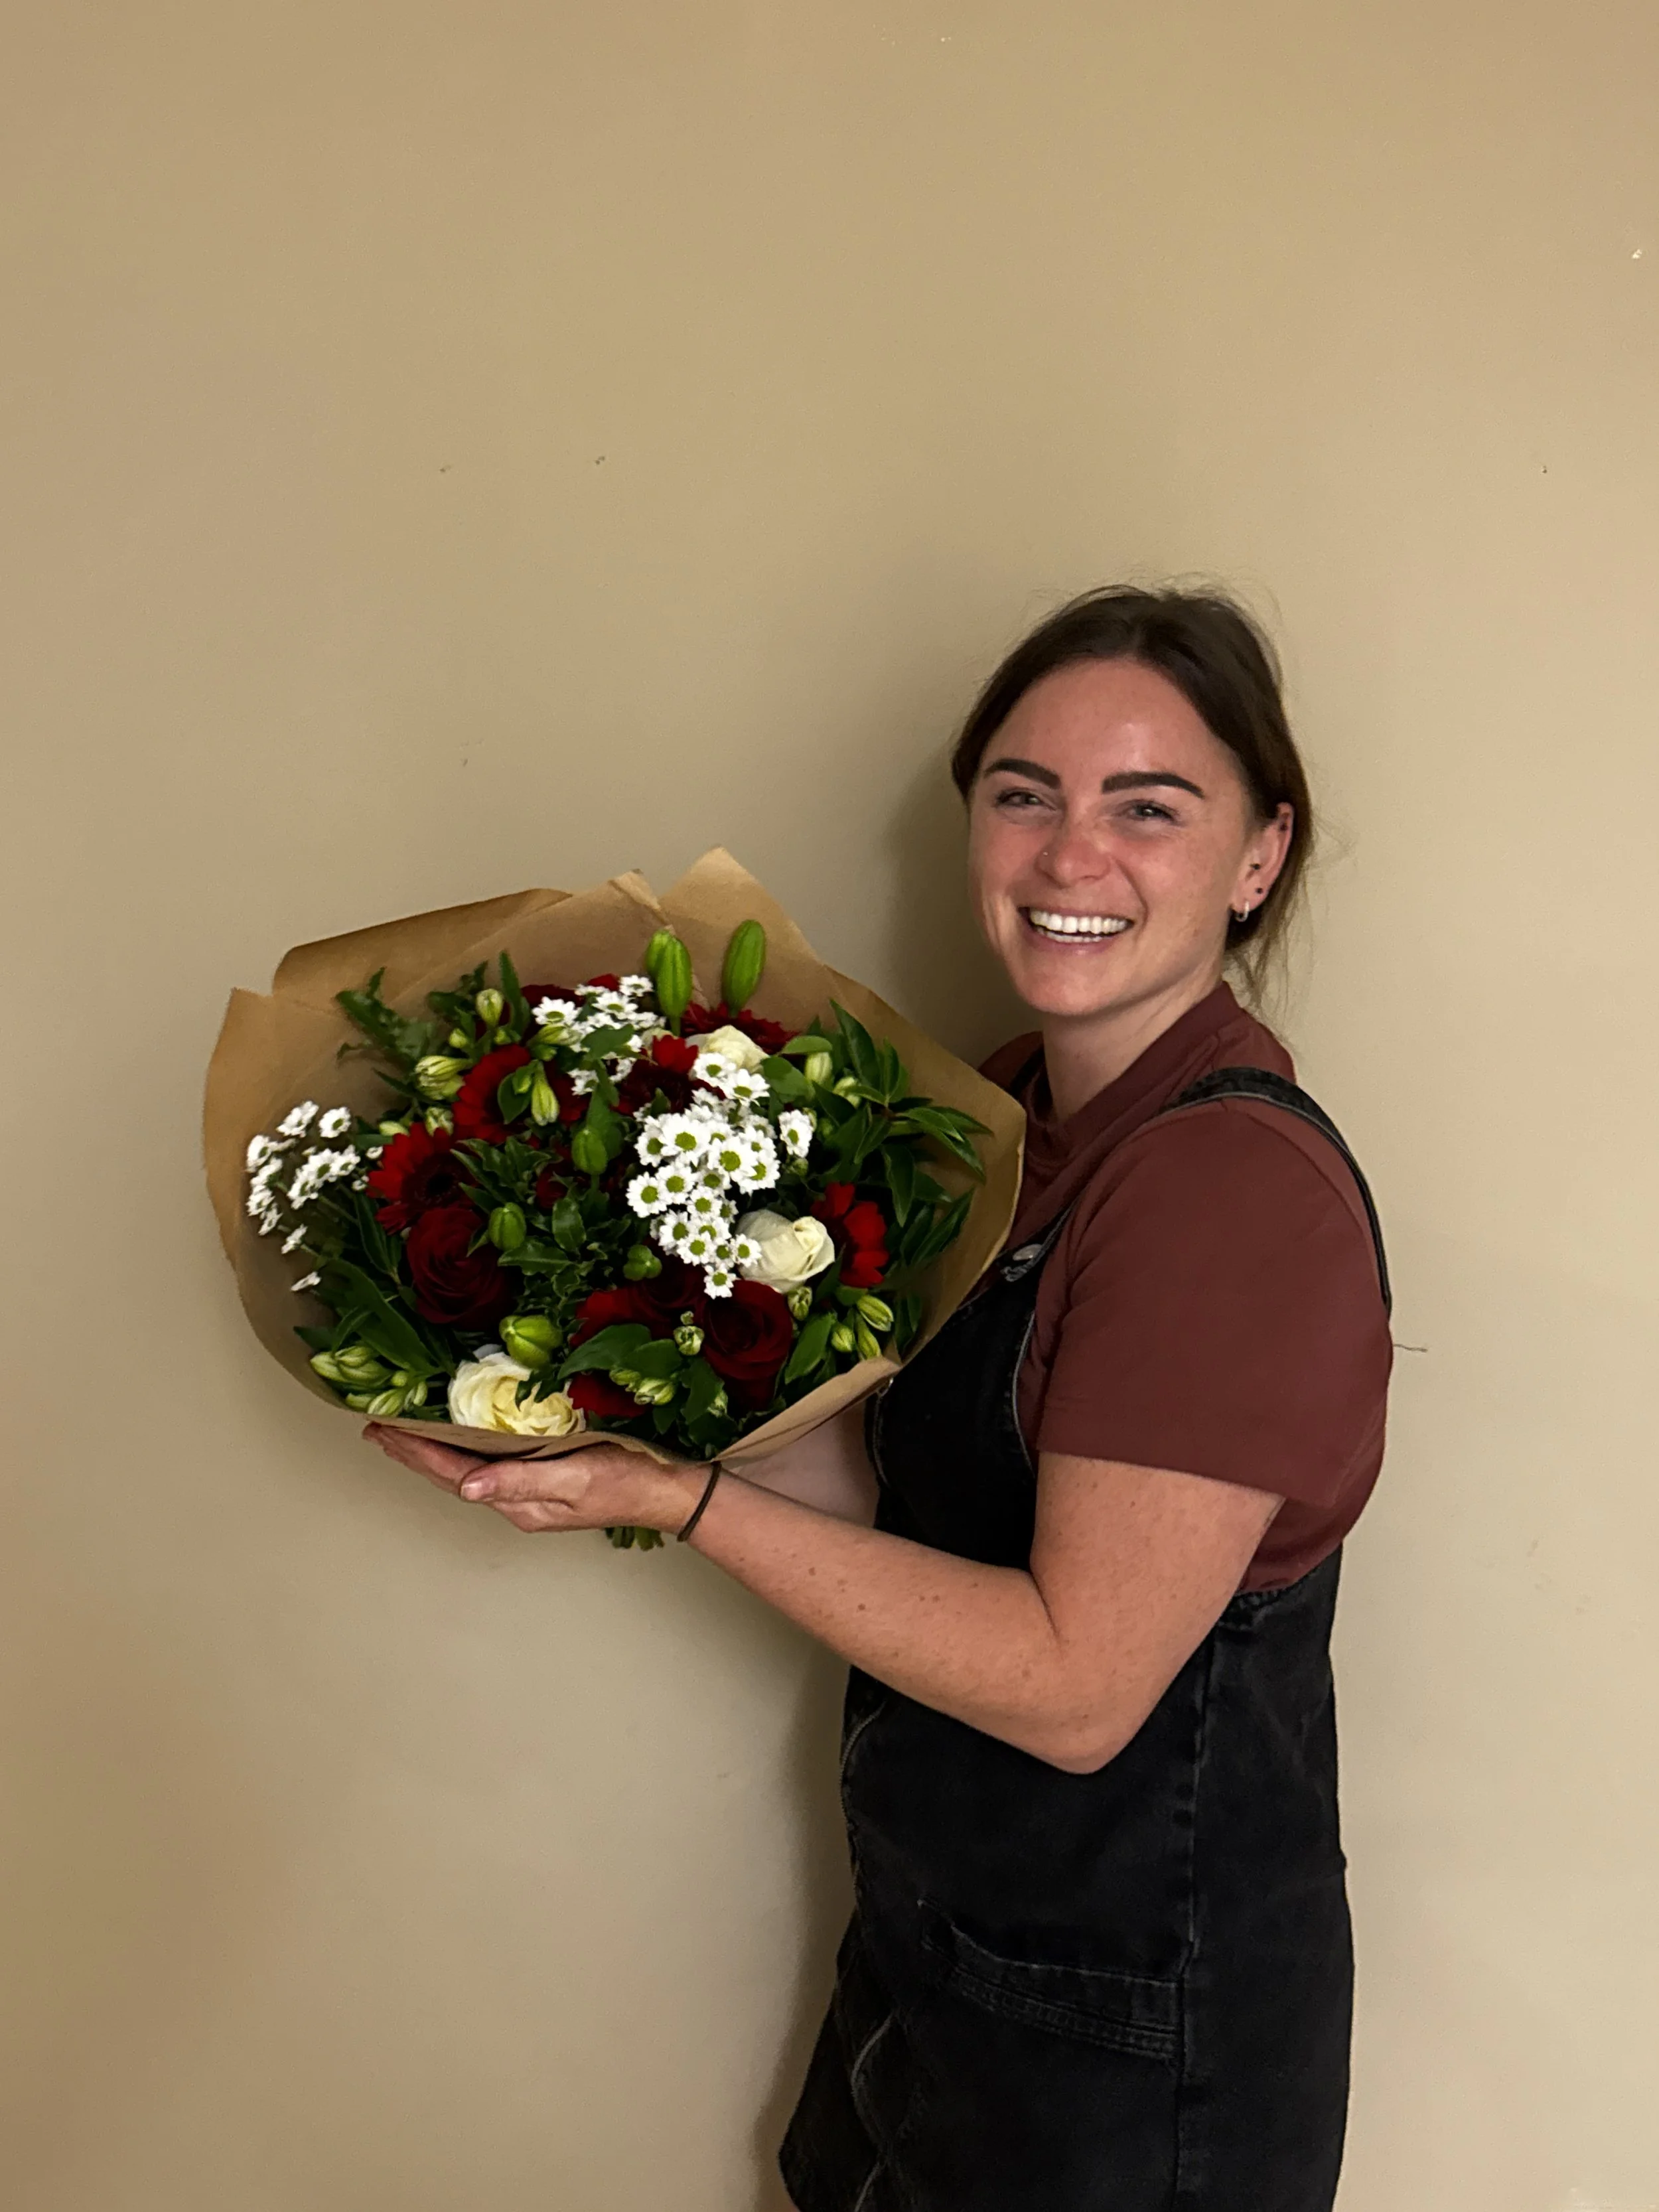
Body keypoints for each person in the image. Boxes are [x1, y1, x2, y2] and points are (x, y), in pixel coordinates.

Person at [368, 585, 1393, 2212]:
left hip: (1130, 2073)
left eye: (1148, 806)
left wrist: (676, 1504)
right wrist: (605, 1412)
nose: (1070, 855)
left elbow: (1074, 1684)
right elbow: (895, 1492)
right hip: (947, 1969)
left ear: (1258, 855)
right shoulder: (997, 1115)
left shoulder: (1223, 1192)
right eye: (1021, 794)